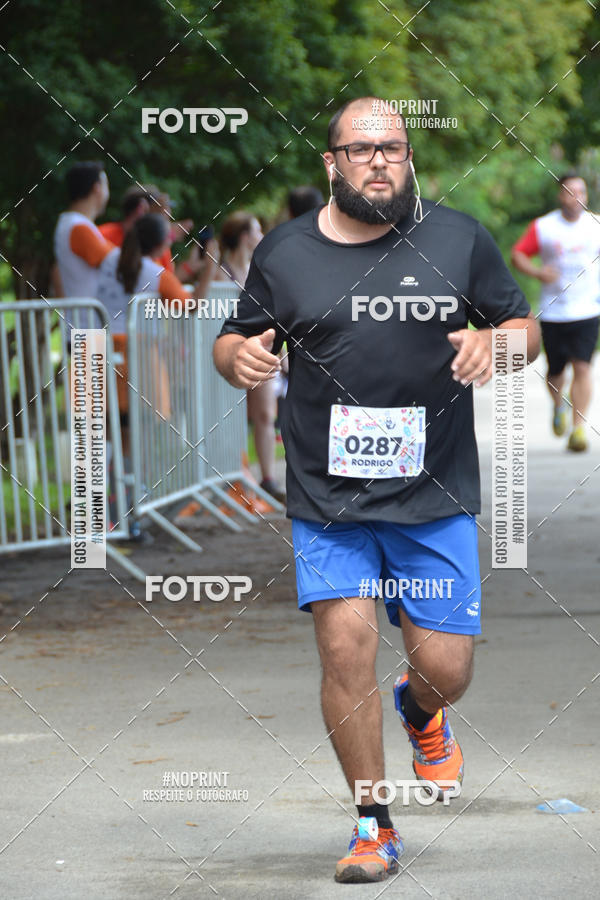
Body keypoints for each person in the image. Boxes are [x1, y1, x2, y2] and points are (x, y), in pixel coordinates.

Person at [214, 96, 540, 884]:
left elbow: (524, 329)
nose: (379, 160)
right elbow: (236, 335)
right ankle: (373, 822)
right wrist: (237, 361)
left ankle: (421, 709)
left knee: (447, 667)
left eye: (392, 146)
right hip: (331, 502)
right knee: (343, 647)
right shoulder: (286, 253)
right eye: (360, 149)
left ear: (409, 156)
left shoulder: (458, 239)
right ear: (331, 163)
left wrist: (497, 347)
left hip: (433, 496)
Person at [511, 173, 600, 451]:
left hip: (587, 308)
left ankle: (578, 429)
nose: (576, 198)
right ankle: (559, 405)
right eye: (569, 192)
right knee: (556, 371)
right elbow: (518, 254)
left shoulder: (595, 225)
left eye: (581, 192)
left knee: (583, 366)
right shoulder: (545, 227)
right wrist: (538, 272)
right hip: (553, 312)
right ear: (560, 195)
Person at [213, 211, 285, 503]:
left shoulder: (262, 271)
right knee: (230, 420)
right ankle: (234, 477)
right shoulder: (222, 272)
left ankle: (267, 478)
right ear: (245, 236)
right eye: (257, 230)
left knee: (266, 415)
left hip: (263, 351)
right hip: (230, 355)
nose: (262, 236)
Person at [53, 161, 113, 301]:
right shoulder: (78, 227)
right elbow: (117, 263)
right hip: (89, 321)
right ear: (97, 189)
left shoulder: (74, 224)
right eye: (106, 186)